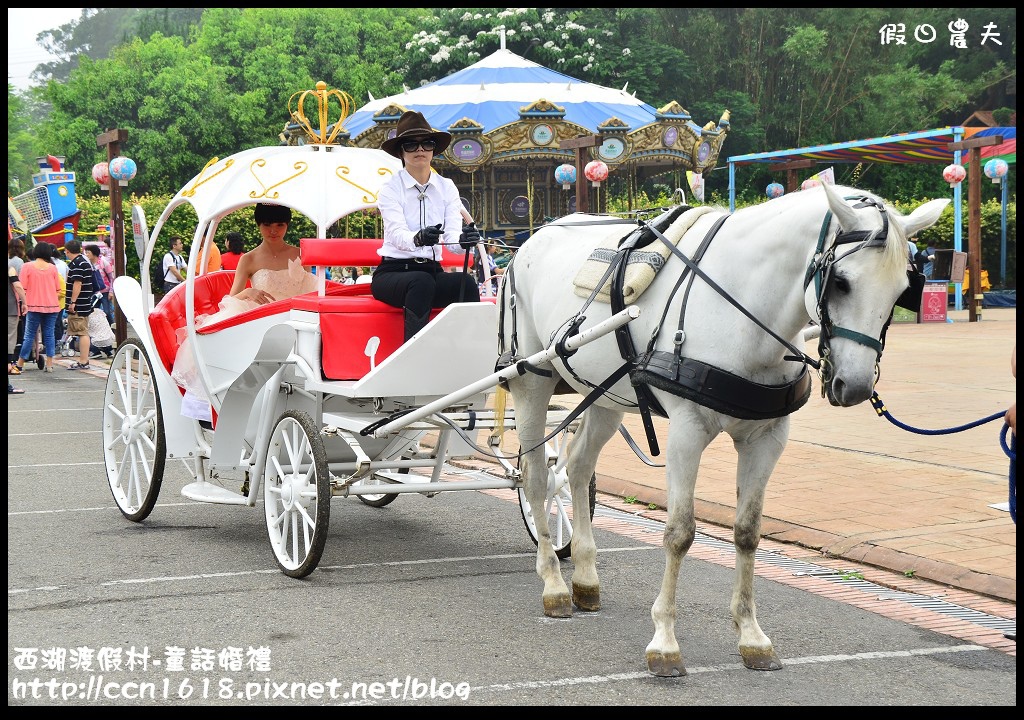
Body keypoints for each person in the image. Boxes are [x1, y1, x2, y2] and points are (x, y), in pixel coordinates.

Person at [170, 203, 316, 413]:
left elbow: (310, 292)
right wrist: (248, 293)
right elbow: (231, 297)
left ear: (287, 225)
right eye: (267, 224)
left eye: (279, 224)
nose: (273, 230)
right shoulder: (249, 259)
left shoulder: (302, 254)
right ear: (258, 225)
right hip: (261, 319)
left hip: (295, 318)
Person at [373, 110, 480, 341]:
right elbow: (397, 234)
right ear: (401, 151)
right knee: (420, 283)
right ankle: (412, 355)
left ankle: (471, 351)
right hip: (393, 273)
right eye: (411, 145)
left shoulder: (447, 186)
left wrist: (464, 240)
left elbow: (452, 240)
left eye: (427, 144)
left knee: (466, 283)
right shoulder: (391, 188)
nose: (420, 150)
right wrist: (418, 238)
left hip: (431, 271)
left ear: (433, 149)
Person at [13, 242, 62, 374]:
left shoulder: (27, 266)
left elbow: (22, 288)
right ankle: (50, 364)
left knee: (29, 335)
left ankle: (20, 364)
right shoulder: (52, 268)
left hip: (33, 305)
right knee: (49, 334)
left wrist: (22, 303)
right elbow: (58, 288)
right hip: (52, 306)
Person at [63, 239, 95, 370]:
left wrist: (73, 302)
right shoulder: (84, 261)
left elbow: (77, 283)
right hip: (85, 301)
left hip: (79, 303)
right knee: (83, 331)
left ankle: (83, 361)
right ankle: (84, 360)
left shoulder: (77, 263)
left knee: (82, 332)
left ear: (68, 251)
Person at [84, 243, 115, 324]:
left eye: (88, 252)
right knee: (93, 313)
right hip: (93, 292)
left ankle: (112, 330)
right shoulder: (87, 264)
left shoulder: (103, 262)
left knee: (107, 312)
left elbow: (112, 277)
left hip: (105, 291)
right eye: (85, 252)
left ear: (94, 253)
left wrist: (111, 292)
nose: (86, 254)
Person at [8, 263, 27, 381]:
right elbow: (17, 286)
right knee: (10, 336)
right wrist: (24, 301)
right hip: (10, 308)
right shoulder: (9, 268)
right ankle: (9, 364)